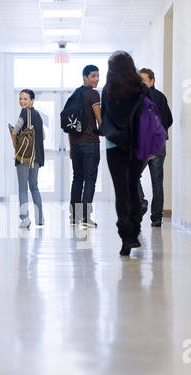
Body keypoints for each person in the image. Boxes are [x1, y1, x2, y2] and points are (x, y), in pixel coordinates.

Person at [98, 51, 153, 256]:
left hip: (115, 147)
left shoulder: (108, 90)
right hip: (137, 146)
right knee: (133, 189)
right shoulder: (141, 89)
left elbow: (104, 117)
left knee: (121, 192)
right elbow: (148, 118)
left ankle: (127, 238)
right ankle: (136, 231)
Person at [138, 68, 173, 227]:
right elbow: (169, 120)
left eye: (143, 80)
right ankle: (157, 218)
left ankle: (141, 203)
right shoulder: (161, 97)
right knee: (157, 182)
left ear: (152, 81)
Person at [69, 65, 102, 228]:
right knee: (90, 180)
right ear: (85, 77)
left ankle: (74, 217)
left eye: (98, 76)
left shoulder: (75, 94)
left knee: (77, 179)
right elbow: (100, 120)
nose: (96, 79)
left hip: (75, 144)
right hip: (90, 143)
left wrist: (71, 146)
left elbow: (69, 123)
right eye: (93, 76)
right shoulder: (93, 93)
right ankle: (86, 217)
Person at [12, 89, 45, 229]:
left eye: (26, 99)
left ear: (32, 100)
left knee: (23, 187)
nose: (22, 101)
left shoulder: (24, 113)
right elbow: (43, 136)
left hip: (24, 155)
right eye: (21, 98)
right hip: (36, 156)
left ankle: (25, 219)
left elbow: (15, 131)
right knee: (34, 187)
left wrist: (16, 146)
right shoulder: (38, 115)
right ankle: (40, 219)